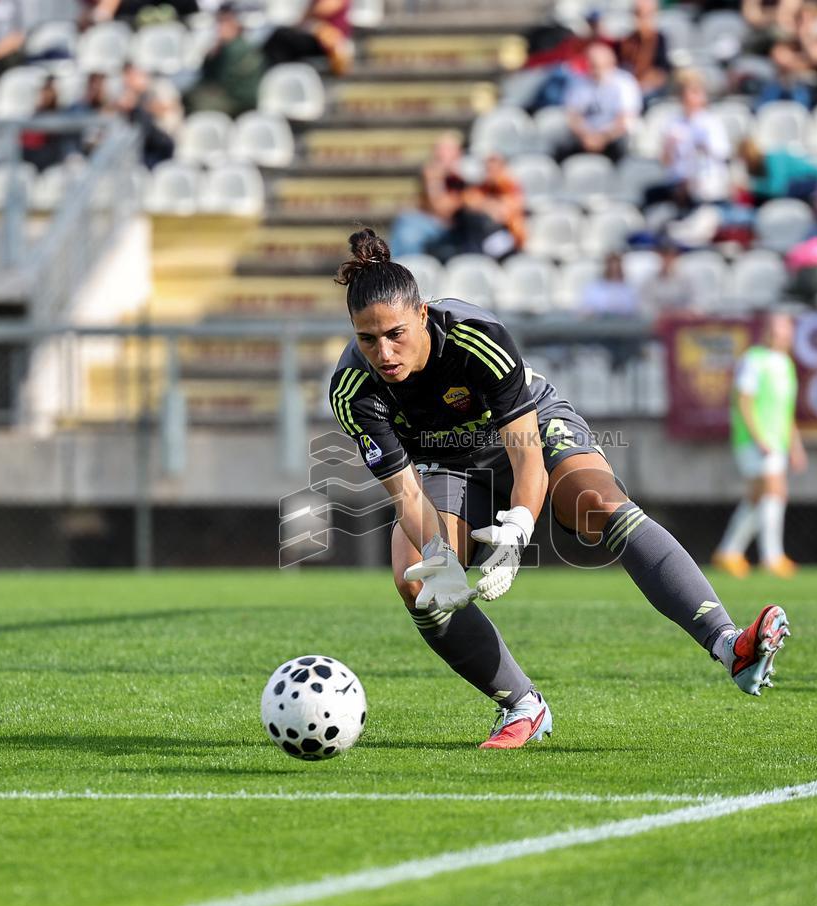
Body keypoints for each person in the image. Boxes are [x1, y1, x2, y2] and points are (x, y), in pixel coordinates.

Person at [328, 228, 791, 749]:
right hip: (447, 463)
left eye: (396, 333)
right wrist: (441, 557)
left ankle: (731, 646)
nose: (384, 352)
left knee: (599, 504)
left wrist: (519, 528)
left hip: (529, 429)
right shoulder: (353, 390)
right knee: (417, 582)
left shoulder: (474, 335)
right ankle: (522, 706)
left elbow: (526, 452)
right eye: (367, 339)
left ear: (422, 315)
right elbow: (406, 493)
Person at [714, 312, 807, 579]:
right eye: (776, 329)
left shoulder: (786, 364)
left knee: (757, 496)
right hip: (756, 440)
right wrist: (758, 438)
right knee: (775, 491)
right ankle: (772, 556)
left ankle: (729, 552)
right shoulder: (753, 360)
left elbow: (785, 411)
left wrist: (795, 445)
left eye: (785, 329)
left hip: (776, 440)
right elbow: (743, 401)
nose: (780, 335)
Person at [557, 41, 642, 163]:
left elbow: (625, 119)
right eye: (592, 65)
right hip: (584, 138)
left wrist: (602, 138)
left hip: (614, 138)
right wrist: (587, 137)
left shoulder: (625, 83)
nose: (595, 70)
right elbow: (572, 116)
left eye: (599, 65)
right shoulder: (578, 83)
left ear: (611, 64)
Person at [655, 69, 731, 206]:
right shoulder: (672, 123)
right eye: (685, 92)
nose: (689, 97)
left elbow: (720, 155)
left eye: (695, 92)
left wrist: (700, 145)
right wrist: (669, 146)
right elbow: (665, 162)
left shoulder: (711, 123)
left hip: (705, 184)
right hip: (677, 183)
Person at [184, 4, 265, 117]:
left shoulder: (235, 48)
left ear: (236, 25)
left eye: (224, 22)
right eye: (219, 22)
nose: (220, 27)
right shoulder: (230, 46)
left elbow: (219, 82)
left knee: (196, 101)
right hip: (233, 95)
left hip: (238, 100)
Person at [263, 0, 353, 76]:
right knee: (279, 41)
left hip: (327, 44)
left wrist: (307, 16)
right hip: (314, 37)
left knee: (281, 36)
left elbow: (324, 9)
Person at [617, 0, 671, 104]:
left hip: (649, 88)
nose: (642, 19)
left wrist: (643, 84)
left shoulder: (659, 39)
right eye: (638, 14)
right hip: (630, 86)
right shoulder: (627, 41)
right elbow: (623, 66)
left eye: (646, 15)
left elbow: (661, 71)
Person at [578, 252, 640, 316]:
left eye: (617, 267)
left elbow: (632, 307)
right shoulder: (594, 287)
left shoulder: (628, 288)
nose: (614, 269)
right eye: (611, 266)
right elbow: (588, 307)